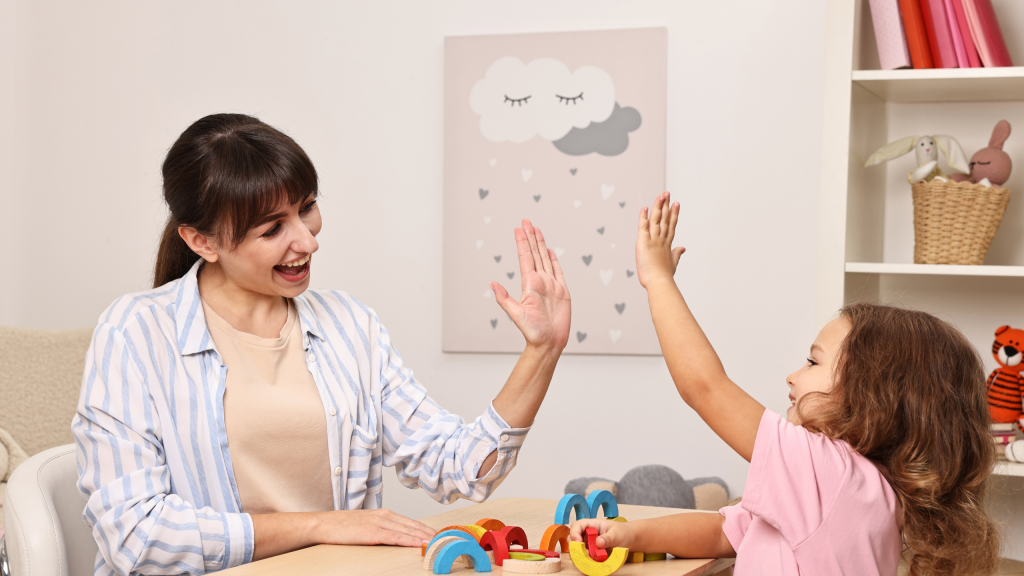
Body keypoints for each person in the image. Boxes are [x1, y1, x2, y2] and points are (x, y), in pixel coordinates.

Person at [72, 113, 571, 575]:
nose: (308, 241)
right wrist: (321, 525)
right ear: (203, 242)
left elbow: (458, 469)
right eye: (273, 229)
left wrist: (541, 352)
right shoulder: (134, 333)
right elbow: (136, 535)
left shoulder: (349, 325)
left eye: (307, 208)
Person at [569, 192, 1000, 576]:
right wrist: (628, 536)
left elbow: (704, 387)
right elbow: (725, 532)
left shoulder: (835, 477)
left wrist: (658, 280)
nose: (792, 375)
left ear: (876, 395)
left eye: (813, 361)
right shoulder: (852, 488)